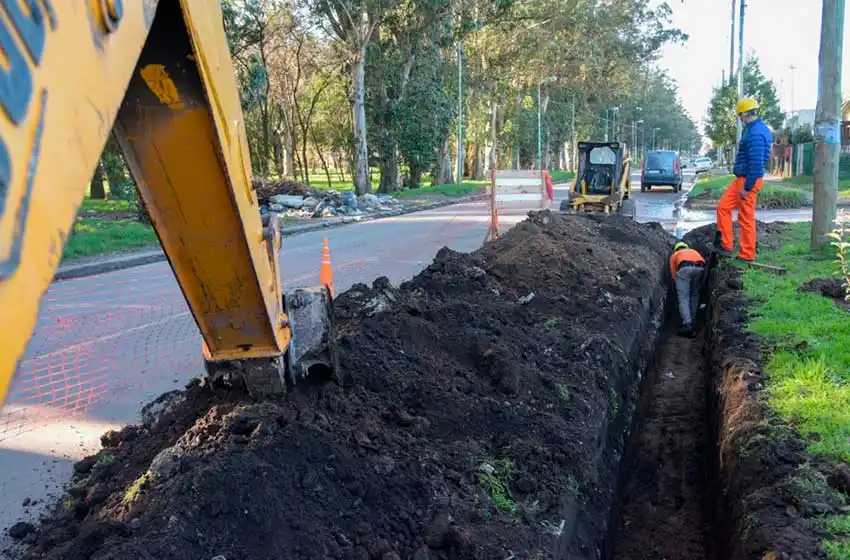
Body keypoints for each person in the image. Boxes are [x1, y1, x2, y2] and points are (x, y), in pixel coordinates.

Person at [715, 98, 772, 261]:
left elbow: (756, 163)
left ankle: (747, 254)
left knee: (745, 218)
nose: (740, 118)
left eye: (741, 115)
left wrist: (747, 187)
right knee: (723, 207)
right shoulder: (754, 129)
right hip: (743, 178)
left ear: (746, 114)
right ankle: (726, 245)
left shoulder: (756, 134)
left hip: (749, 179)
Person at [670, 241, 706, 336]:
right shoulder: (694, 251)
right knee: (694, 294)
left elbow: (674, 274)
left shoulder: (675, 255)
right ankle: (693, 321)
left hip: (684, 269)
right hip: (700, 269)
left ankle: (687, 324)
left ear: (676, 249)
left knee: (683, 298)